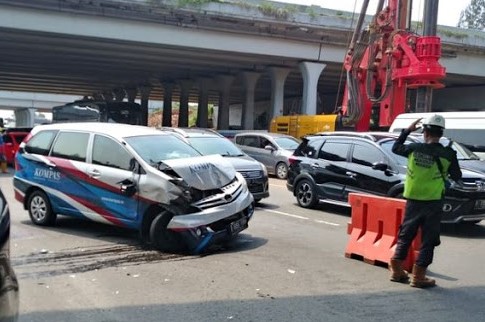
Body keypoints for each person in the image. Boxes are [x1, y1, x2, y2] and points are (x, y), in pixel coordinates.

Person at [389, 114, 462, 288]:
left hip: (413, 199)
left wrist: (407, 130)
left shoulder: (414, 148)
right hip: (433, 201)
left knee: (406, 234)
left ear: (425, 132)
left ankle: (397, 269)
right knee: (429, 239)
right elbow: (457, 176)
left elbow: (395, 147)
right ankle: (418, 276)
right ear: (441, 133)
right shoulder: (448, 153)